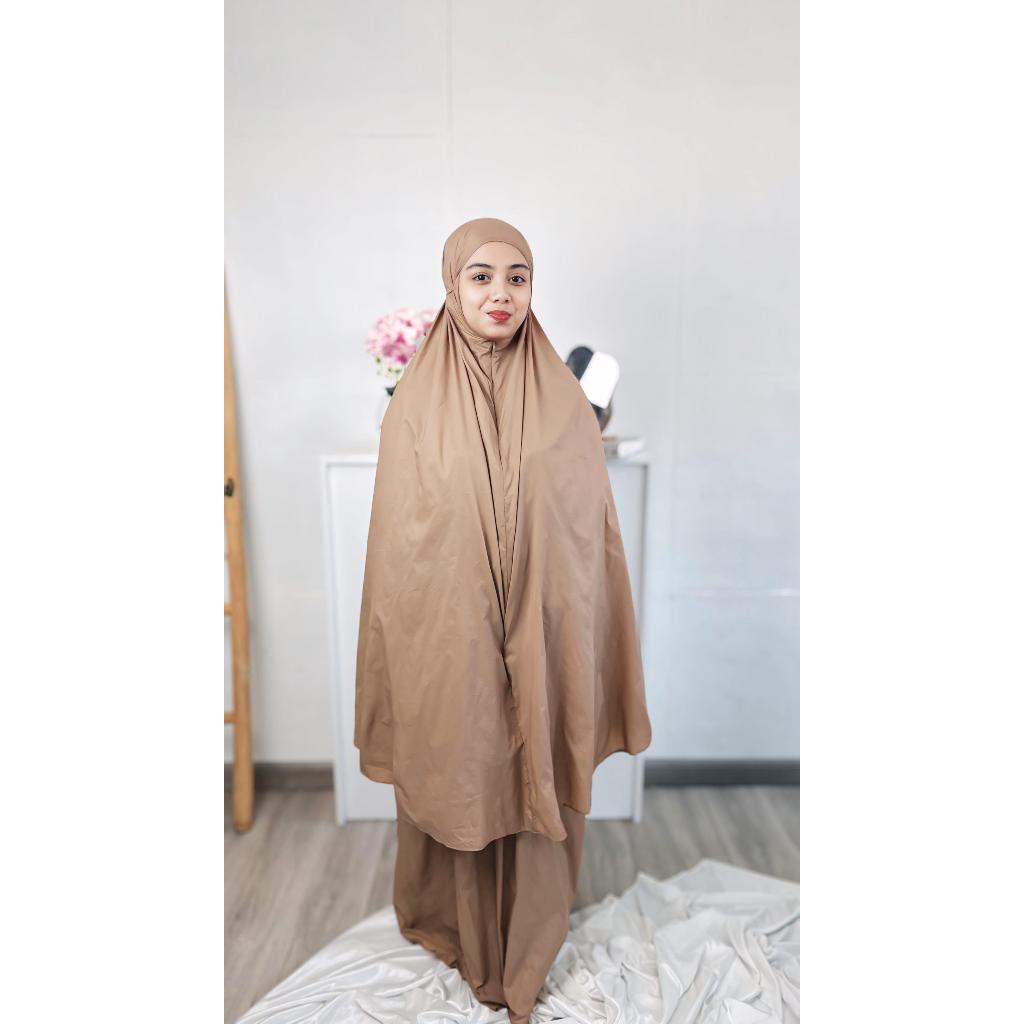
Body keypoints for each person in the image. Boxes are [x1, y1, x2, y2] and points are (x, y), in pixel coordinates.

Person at [354, 217, 652, 1023]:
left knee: (534, 757)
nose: (501, 293)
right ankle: (457, 924)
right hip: (448, 630)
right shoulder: (413, 406)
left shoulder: (564, 400)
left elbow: (586, 532)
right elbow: (402, 545)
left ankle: (529, 935)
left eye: (517, 277)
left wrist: (536, 612)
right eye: (481, 276)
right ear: (452, 286)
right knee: (464, 758)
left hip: (544, 627)